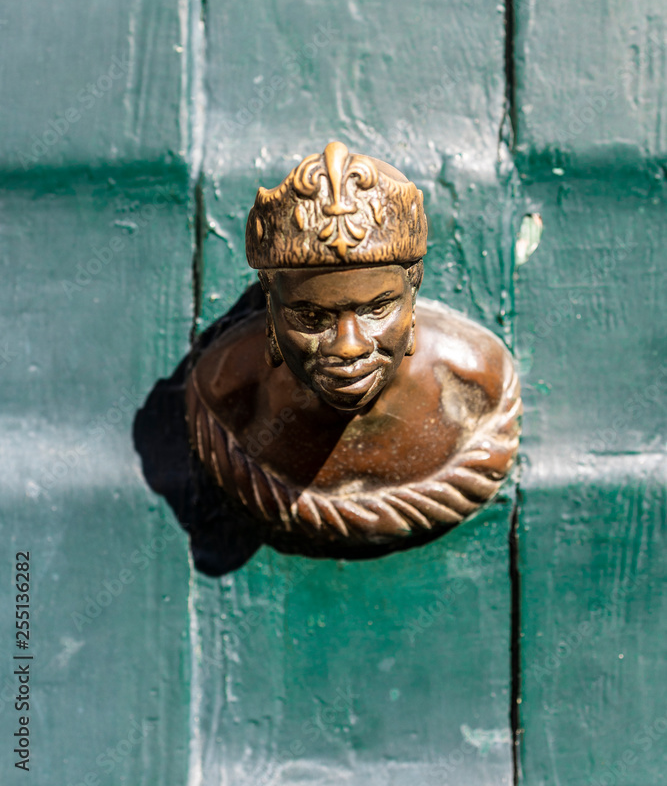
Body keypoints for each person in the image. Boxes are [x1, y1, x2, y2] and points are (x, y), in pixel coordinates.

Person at [185, 142, 520, 555]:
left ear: (412, 296)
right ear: (271, 310)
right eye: (310, 318)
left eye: (378, 308)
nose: (348, 346)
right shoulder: (225, 394)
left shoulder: (478, 385)